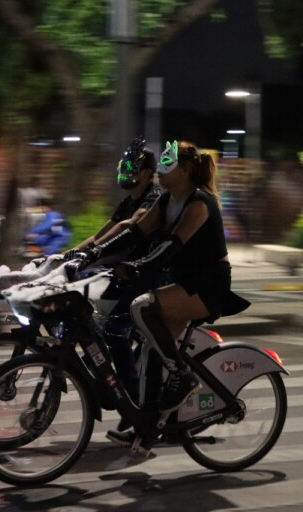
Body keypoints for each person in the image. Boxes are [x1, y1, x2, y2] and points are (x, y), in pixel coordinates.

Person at [83, 141, 233, 447]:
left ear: (186, 171)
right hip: (183, 284)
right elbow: (134, 231)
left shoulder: (198, 202)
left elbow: (172, 245)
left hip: (207, 286)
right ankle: (147, 426)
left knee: (143, 307)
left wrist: (138, 266)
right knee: (152, 349)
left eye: (169, 165)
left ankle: (184, 377)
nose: (161, 172)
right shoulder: (166, 200)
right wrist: (91, 254)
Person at [67, 137, 163, 415]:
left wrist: (93, 253)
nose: (125, 171)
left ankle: (131, 401)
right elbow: (99, 234)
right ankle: (111, 376)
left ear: (146, 172)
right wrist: (66, 255)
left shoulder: (153, 197)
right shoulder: (127, 201)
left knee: (114, 331)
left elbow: (128, 226)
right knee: (90, 317)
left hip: (148, 278)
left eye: (131, 166)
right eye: (124, 165)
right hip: (126, 276)